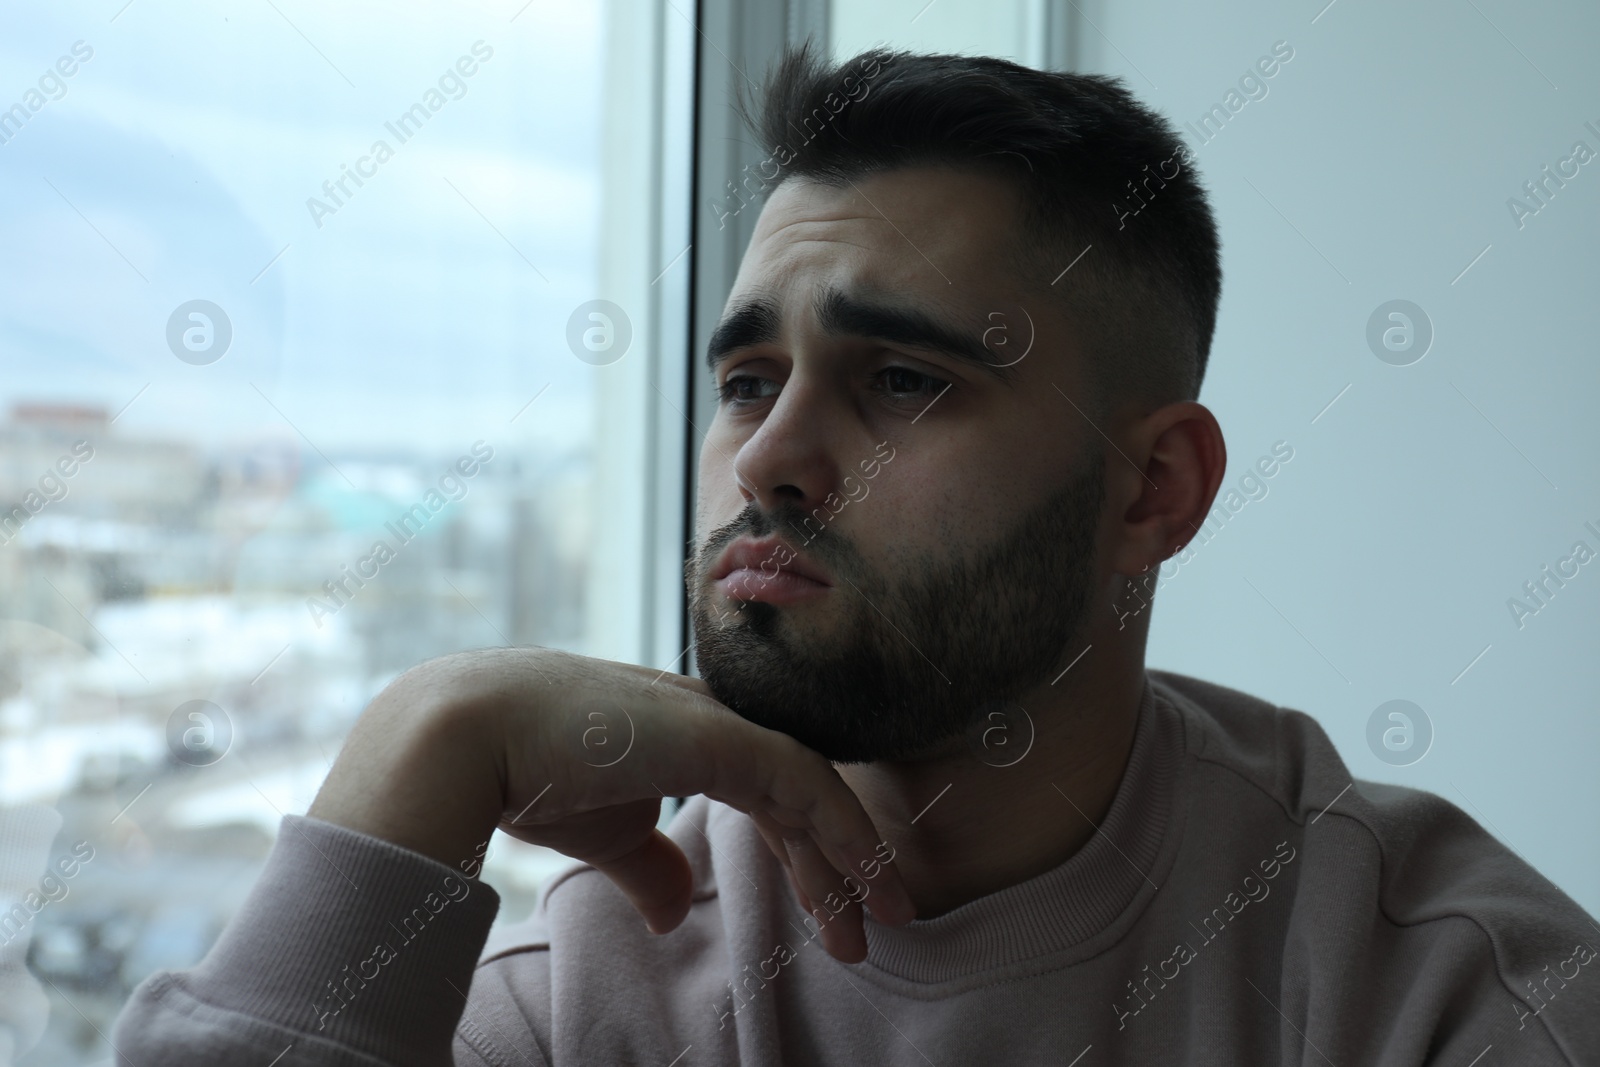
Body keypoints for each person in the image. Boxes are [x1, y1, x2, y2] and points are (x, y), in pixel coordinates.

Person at [113, 44, 1600, 1065]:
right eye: (748, 381)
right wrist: (417, 749)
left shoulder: (1439, 995)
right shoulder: (584, 996)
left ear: (1154, 488)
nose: (765, 458)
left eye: (903, 382)